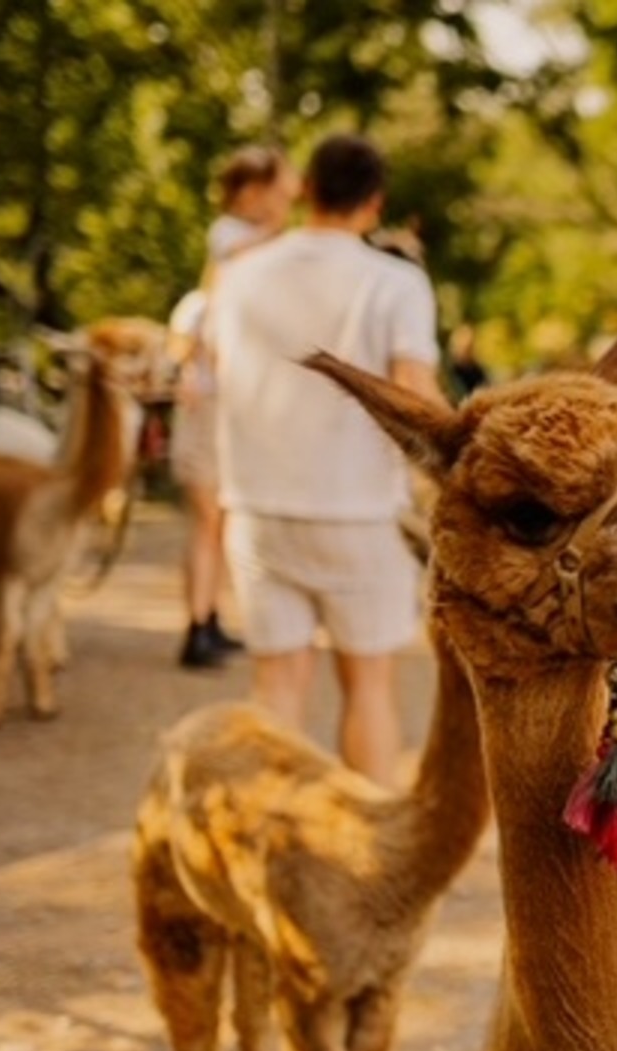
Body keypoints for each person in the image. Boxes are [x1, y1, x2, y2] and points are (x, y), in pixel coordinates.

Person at [206, 133, 444, 783]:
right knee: (368, 684)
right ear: (376, 203)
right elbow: (414, 396)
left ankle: (271, 841)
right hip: (358, 511)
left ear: (305, 189)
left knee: (276, 686)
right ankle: (369, 848)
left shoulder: (240, 275)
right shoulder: (396, 282)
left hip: (257, 505)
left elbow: (220, 371)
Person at [168, 145, 299, 669]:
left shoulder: (243, 257)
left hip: (226, 405)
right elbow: (244, 258)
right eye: (272, 193)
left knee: (218, 521)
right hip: (208, 406)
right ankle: (197, 626)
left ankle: (208, 619)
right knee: (208, 520)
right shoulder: (230, 238)